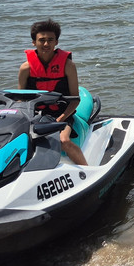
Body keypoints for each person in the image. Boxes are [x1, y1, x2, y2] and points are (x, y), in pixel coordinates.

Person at [18, 18, 87, 166]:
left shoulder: (68, 66)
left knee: (64, 141)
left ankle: (89, 172)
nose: (46, 44)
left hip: (62, 114)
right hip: (35, 115)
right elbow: (20, 99)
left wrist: (59, 120)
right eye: (41, 40)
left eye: (50, 40)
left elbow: (75, 100)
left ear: (56, 42)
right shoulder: (26, 68)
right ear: (33, 42)